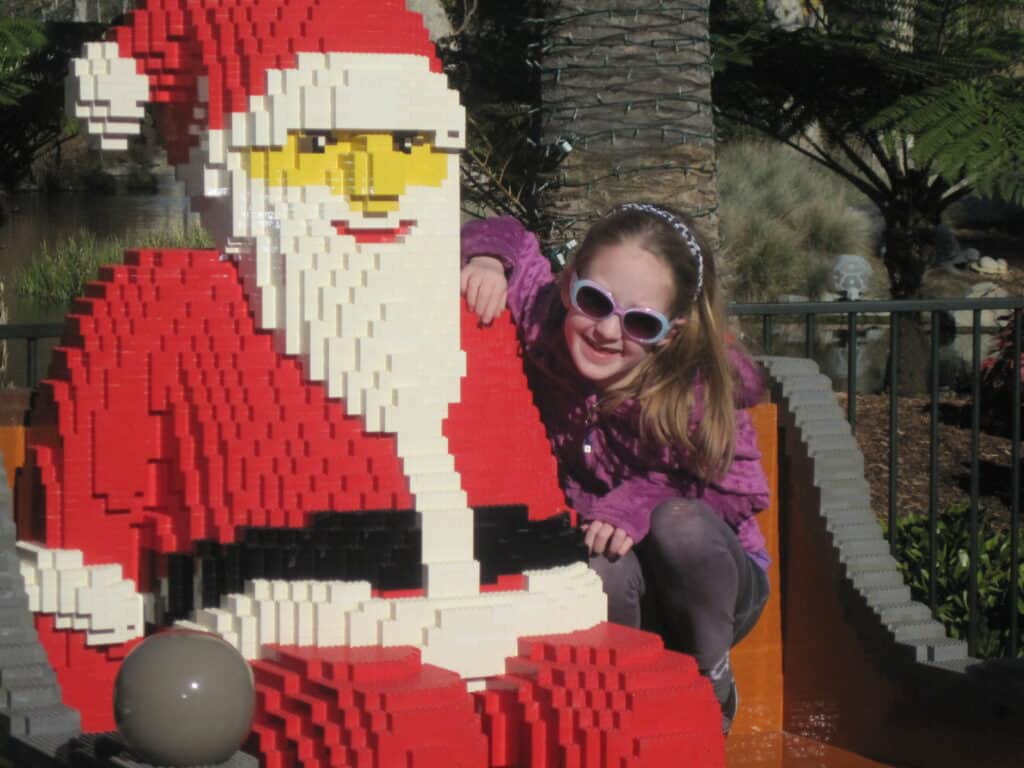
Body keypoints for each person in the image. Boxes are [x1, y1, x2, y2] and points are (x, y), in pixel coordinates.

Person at [460, 203, 772, 733]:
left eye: (640, 322)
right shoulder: (544, 319)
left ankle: (712, 680)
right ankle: (621, 702)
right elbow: (511, 233)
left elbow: (742, 492)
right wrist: (489, 259)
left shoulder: (691, 389)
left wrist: (639, 502)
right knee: (596, 562)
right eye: (594, 301)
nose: (607, 330)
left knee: (681, 524)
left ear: (668, 335)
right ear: (568, 285)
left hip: (706, 592)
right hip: (617, 575)